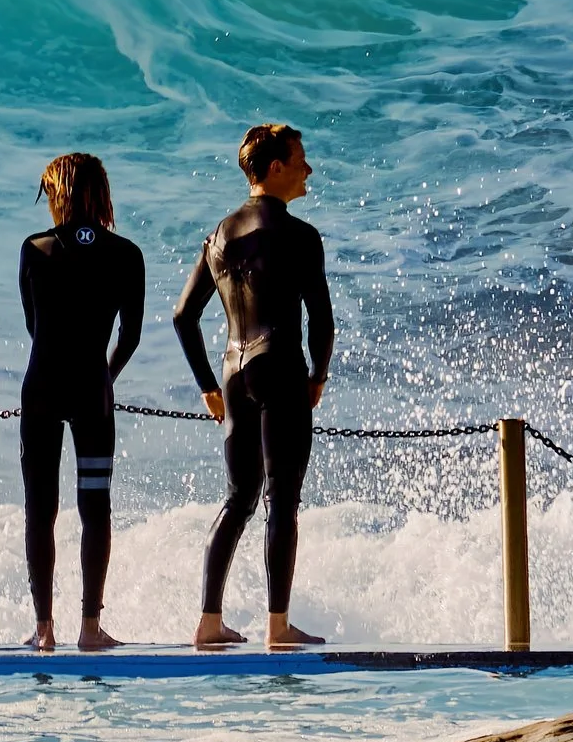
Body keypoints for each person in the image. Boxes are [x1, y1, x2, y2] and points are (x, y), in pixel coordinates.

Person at [173, 123, 335, 652]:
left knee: (239, 498)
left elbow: (183, 316)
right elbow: (322, 320)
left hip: (233, 372)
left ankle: (208, 621)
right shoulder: (301, 236)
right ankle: (278, 627)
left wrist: (207, 387)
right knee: (281, 501)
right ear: (275, 169)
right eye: (301, 159)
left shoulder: (219, 234)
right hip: (280, 366)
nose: (308, 169)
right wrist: (318, 375)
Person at [17, 153, 144, 651]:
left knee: (39, 509)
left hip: (42, 388)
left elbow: (33, 324)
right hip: (94, 391)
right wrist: (102, 377)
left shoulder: (35, 249)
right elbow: (129, 336)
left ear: (58, 193)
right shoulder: (126, 254)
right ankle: (90, 628)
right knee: (96, 508)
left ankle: (44, 629)